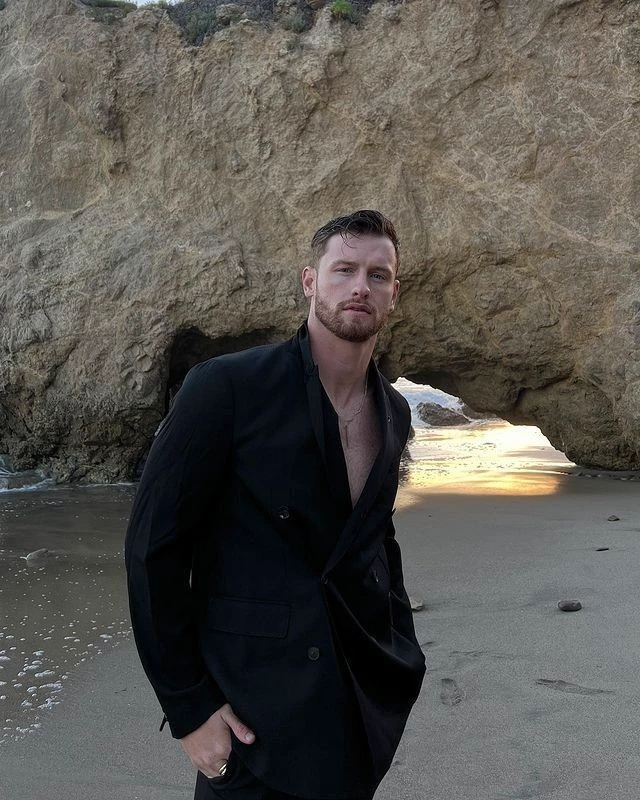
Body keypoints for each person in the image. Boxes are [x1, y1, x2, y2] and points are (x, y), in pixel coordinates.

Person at [124, 210, 426, 800]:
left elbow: (376, 540)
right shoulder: (227, 388)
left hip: (351, 705)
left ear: (394, 294)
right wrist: (188, 709)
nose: (360, 287)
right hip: (251, 713)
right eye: (343, 270)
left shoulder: (393, 412)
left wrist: (400, 649)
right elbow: (152, 547)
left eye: (378, 275)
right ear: (310, 281)